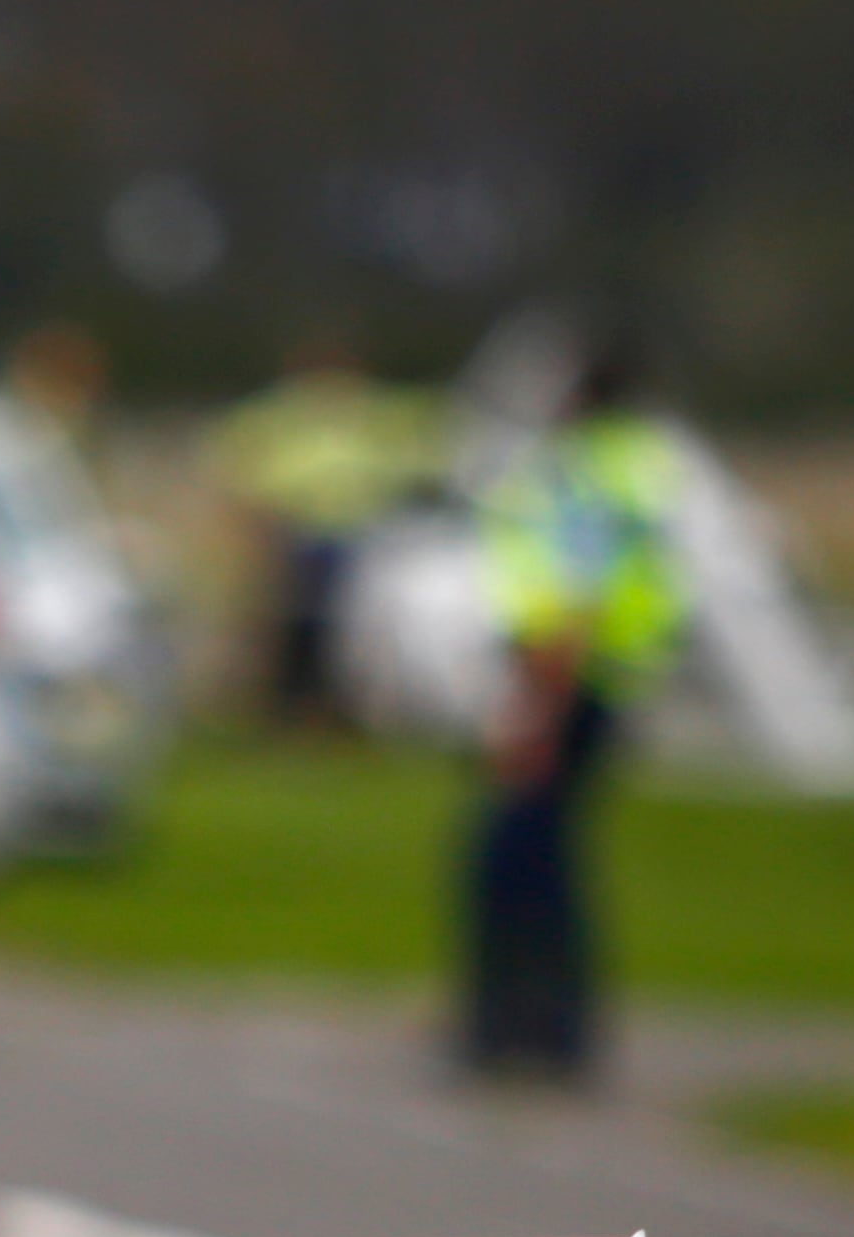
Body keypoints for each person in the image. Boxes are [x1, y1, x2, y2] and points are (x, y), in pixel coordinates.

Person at [461, 335, 688, 1082]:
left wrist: (538, 711)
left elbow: (575, 592)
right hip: (605, 679)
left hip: (568, 683)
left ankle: (518, 1028)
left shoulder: (580, 471)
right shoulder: (635, 462)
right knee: (549, 854)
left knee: (513, 861)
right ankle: (549, 1030)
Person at [209, 352, 450, 723]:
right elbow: (247, 480)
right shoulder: (277, 418)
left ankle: (345, 705)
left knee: (353, 628)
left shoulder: (378, 417)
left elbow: (421, 461)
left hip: (361, 541)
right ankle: (294, 703)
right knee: (296, 624)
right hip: (295, 539)